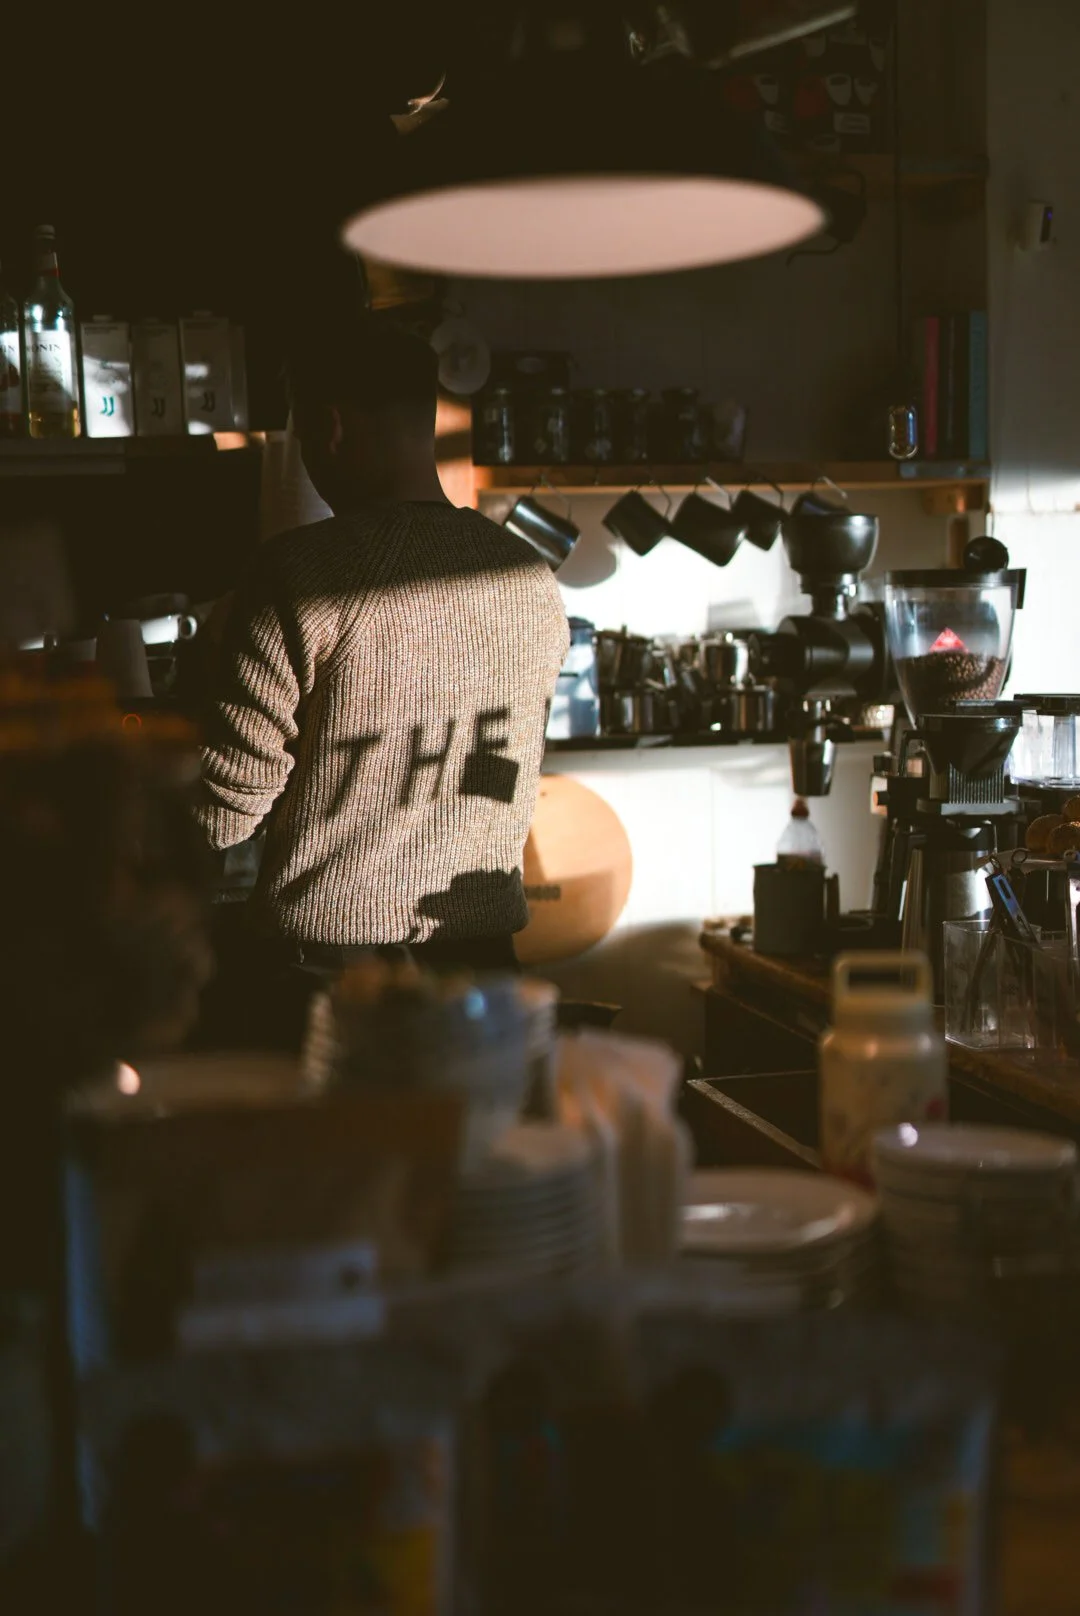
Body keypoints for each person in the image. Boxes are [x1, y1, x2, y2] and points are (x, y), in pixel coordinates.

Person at [194, 319, 569, 992]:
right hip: (483, 972)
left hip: (330, 979)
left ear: (330, 427)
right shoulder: (529, 578)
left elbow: (224, 813)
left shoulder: (301, 574)